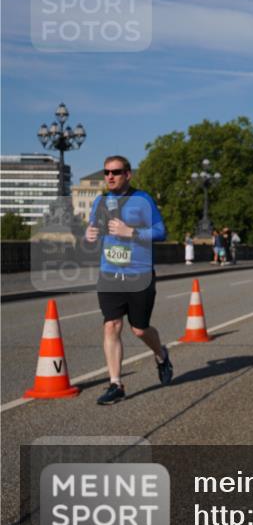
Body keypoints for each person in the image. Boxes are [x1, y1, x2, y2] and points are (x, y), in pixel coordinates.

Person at [84, 155, 174, 405]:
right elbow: (92, 231)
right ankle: (115, 383)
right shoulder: (100, 202)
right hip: (110, 273)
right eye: (106, 172)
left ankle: (161, 354)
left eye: (116, 172)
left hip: (139, 273)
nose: (110, 176)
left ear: (128, 174)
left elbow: (161, 232)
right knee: (111, 325)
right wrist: (89, 235)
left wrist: (131, 231)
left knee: (139, 328)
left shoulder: (143, 200)